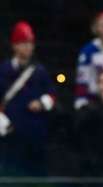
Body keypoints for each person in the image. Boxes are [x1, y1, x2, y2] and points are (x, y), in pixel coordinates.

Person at [0, 21, 55, 176]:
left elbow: (51, 94)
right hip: (10, 134)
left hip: (35, 132)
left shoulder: (40, 71)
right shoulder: (3, 70)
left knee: (36, 175)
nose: (28, 47)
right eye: (23, 43)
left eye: (30, 43)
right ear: (14, 46)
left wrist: (42, 103)